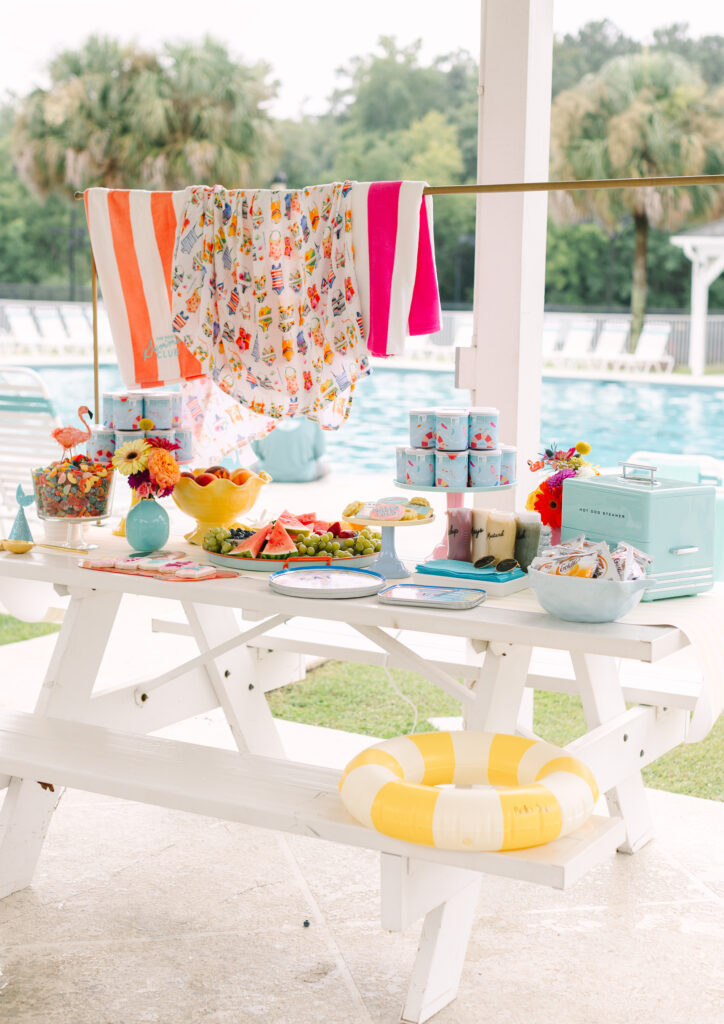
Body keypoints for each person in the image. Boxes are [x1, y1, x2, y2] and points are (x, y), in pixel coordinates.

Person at [250, 418, 328, 483]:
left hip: (267, 474)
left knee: (251, 467)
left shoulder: (262, 419)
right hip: (305, 474)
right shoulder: (313, 420)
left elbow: (256, 451)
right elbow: (319, 452)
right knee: (326, 467)